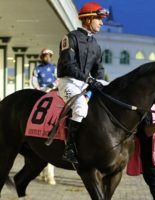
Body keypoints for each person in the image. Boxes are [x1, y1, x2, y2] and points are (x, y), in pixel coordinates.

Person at [57, 2, 109, 164]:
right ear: (88, 19)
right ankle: (70, 148)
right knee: (80, 106)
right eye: (98, 19)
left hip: (86, 84)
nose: (101, 22)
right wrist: (89, 80)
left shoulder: (95, 44)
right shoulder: (70, 38)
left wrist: (100, 84)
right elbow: (68, 66)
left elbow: (99, 71)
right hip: (68, 82)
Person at [31, 48, 57, 185]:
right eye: (44, 55)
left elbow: (58, 80)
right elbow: (34, 81)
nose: (46, 57)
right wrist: (40, 89)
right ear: (42, 56)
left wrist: (50, 88)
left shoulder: (54, 68)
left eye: (48, 55)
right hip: (40, 93)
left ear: (51, 56)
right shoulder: (37, 69)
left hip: (52, 92)